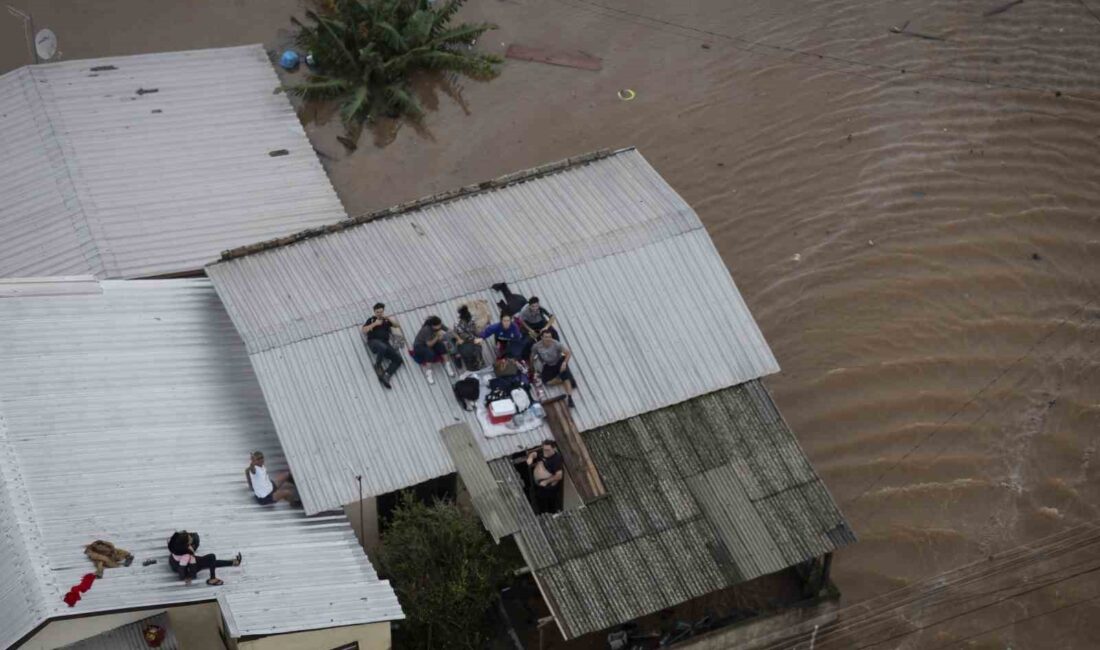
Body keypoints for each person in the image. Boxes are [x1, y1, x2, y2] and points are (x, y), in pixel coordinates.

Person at [167, 531, 241, 586]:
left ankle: (233, 562)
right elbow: (182, 568)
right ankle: (212, 579)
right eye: (189, 538)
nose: (190, 537)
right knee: (212, 557)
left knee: (210, 561)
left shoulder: (175, 546)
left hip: (176, 562)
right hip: (189, 567)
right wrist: (188, 577)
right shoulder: (186, 556)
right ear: (186, 543)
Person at [530, 330, 576, 407]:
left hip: (559, 362)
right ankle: (563, 380)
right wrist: (532, 367)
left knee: (565, 377)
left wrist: (564, 363)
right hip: (548, 365)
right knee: (546, 382)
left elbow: (568, 353)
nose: (548, 339)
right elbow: (532, 356)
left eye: (549, 337)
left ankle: (570, 398)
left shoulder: (556, 344)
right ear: (542, 337)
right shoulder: (537, 346)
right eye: (546, 337)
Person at [362, 302, 403, 388]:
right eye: (377, 312)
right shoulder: (371, 320)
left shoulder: (386, 320)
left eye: (381, 312)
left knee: (398, 359)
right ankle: (378, 365)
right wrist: (375, 324)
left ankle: (386, 375)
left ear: (383, 311)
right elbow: (364, 330)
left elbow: (397, 325)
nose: (379, 314)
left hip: (385, 343)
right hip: (374, 342)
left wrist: (388, 318)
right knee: (382, 347)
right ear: (374, 312)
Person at [412, 315, 455, 384]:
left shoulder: (439, 325)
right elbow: (429, 344)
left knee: (441, 346)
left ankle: (448, 365)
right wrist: (437, 336)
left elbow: (449, 330)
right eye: (438, 325)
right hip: (419, 346)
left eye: (441, 324)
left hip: (431, 342)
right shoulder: (426, 330)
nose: (440, 326)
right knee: (430, 353)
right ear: (433, 326)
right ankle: (429, 373)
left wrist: (452, 335)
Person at [527, 440, 564, 514]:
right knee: (540, 503)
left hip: (548, 487)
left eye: (548, 450)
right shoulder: (542, 452)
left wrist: (546, 481)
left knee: (550, 506)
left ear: (553, 449)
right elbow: (534, 454)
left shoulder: (556, 459)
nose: (545, 452)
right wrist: (530, 458)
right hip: (539, 485)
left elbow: (559, 476)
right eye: (544, 449)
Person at [452, 305, 484, 371]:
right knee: (469, 353)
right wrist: (475, 339)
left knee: (477, 349)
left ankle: (479, 364)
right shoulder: (457, 324)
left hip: (472, 342)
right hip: (463, 344)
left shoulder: (471, 320)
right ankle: (471, 367)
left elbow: (475, 331)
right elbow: (464, 336)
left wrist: (479, 336)